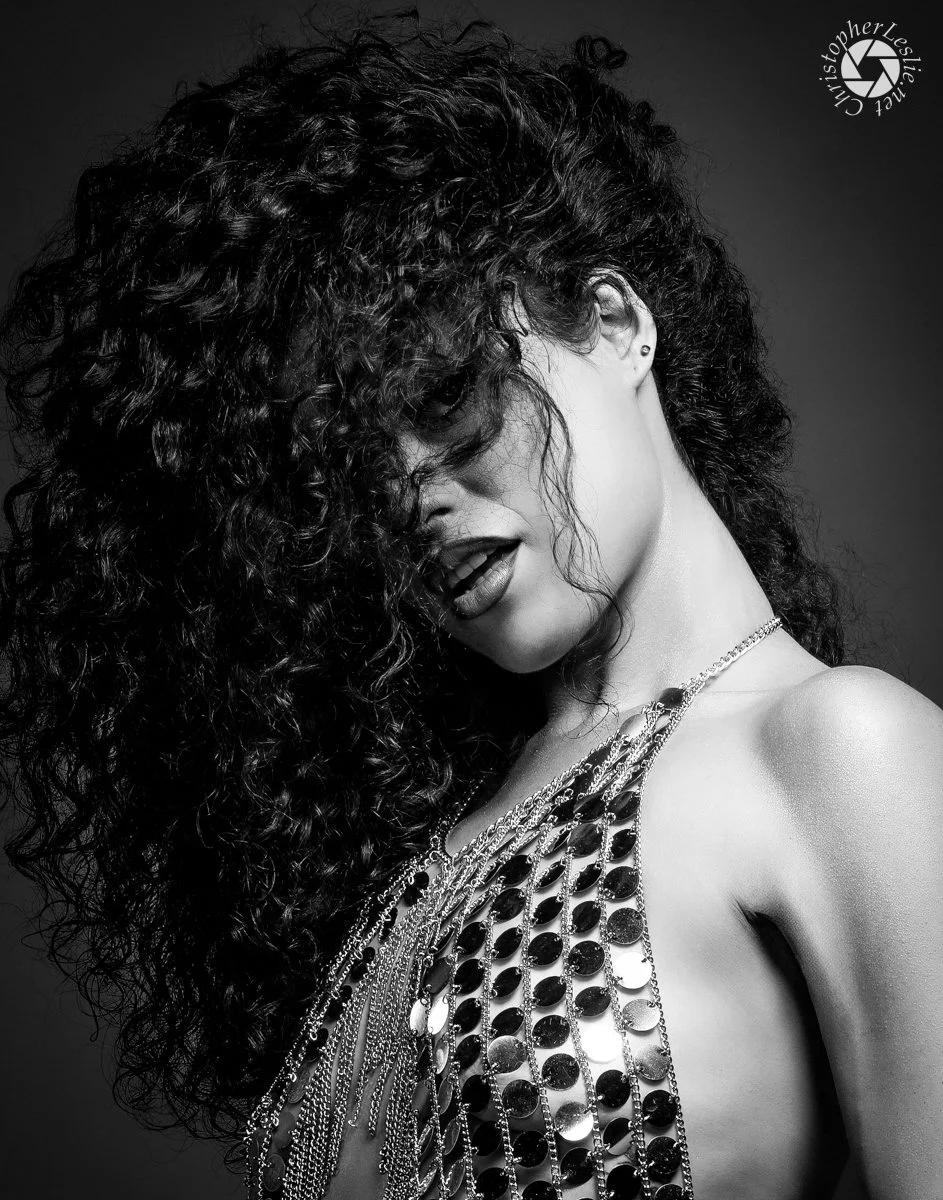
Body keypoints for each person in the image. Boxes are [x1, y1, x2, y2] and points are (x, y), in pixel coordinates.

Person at [0, 14, 940, 1200]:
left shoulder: (839, 752)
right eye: (353, 472)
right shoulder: (442, 846)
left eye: (448, 399)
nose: (412, 498)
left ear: (615, 325)